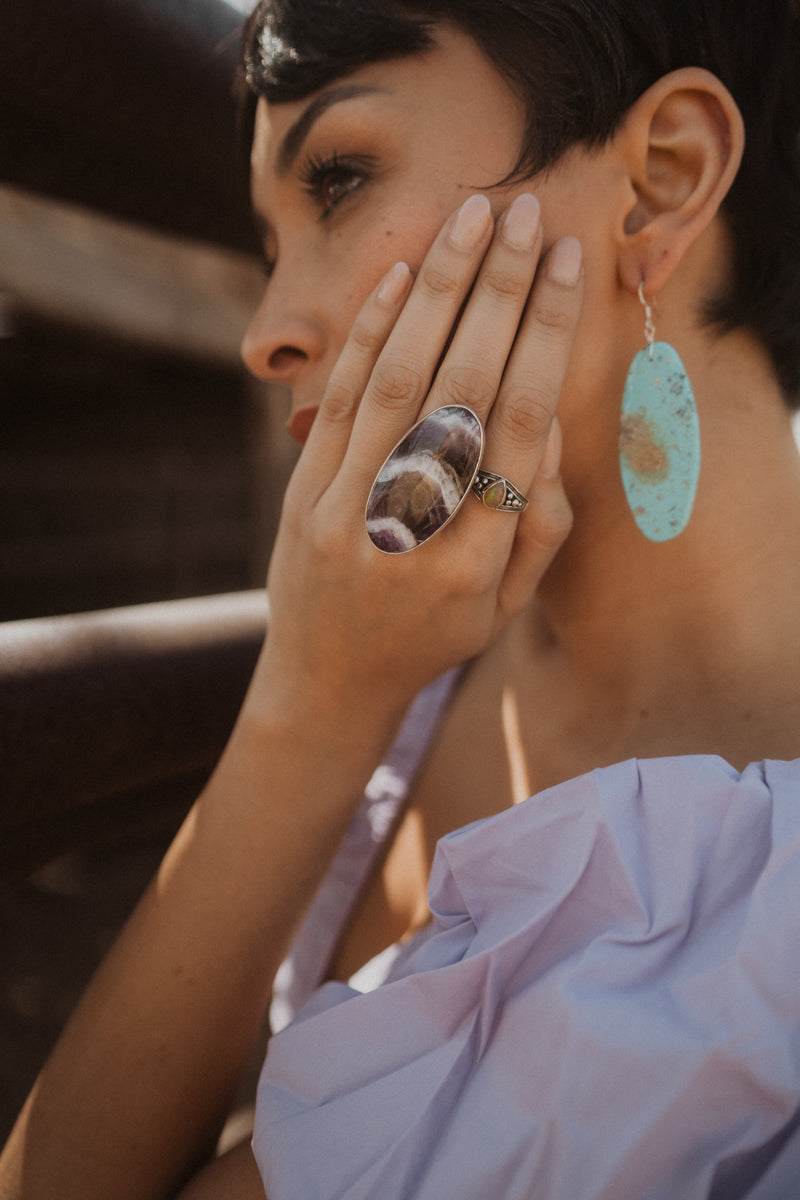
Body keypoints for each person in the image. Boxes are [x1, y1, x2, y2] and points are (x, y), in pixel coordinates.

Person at [3, 0, 800, 1195]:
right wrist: (328, 688)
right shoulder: (421, 634)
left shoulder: (751, 932)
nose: (264, 335)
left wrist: (310, 707)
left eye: (338, 179)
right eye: (271, 250)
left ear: (662, 177)